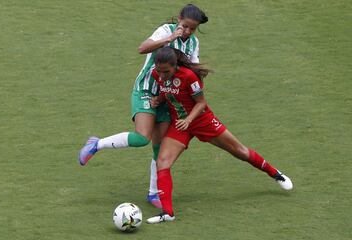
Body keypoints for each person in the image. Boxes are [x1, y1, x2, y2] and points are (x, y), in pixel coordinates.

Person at [78, 4, 209, 209]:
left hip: (167, 95)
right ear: (178, 19)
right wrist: (170, 39)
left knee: (159, 147)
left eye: (193, 28)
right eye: (185, 26)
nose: (188, 31)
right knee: (141, 138)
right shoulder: (166, 30)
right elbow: (142, 48)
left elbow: (191, 70)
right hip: (146, 90)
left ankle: (153, 192)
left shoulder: (194, 43)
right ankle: (96, 144)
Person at [145, 46, 293, 224]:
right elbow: (167, 91)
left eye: (165, 72)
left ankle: (275, 173)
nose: (161, 76)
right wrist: (158, 99)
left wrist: (188, 120)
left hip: (201, 121)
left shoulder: (189, 76)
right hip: (180, 125)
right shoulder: (157, 74)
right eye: (159, 72)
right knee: (163, 162)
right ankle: (168, 213)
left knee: (240, 151)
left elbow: (201, 103)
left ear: (175, 65)